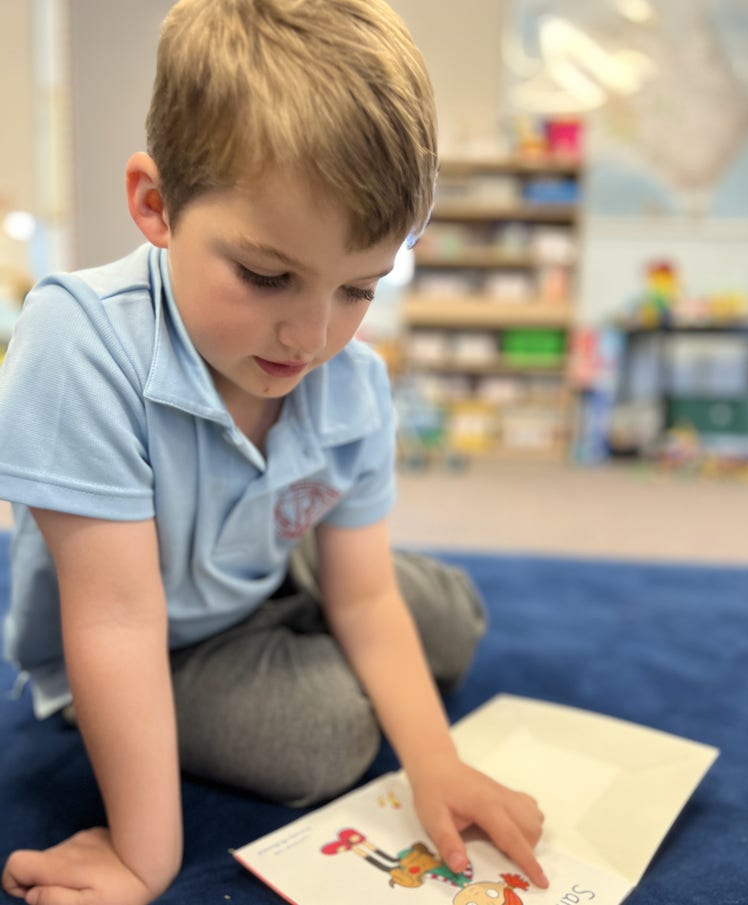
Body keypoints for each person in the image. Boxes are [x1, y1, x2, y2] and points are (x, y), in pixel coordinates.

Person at [0, 1, 548, 902]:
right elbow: (115, 625)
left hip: (260, 573)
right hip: (160, 637)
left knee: (450, 615)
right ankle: (306, 632)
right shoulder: (79, 342)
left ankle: (305, 616)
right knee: (322, 736)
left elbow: (366, 594)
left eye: (360, 288)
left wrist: (435, 763)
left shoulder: (352, 381)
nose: (311, 333)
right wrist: (145, 857)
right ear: (156, 204)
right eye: (265, 275)